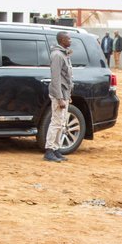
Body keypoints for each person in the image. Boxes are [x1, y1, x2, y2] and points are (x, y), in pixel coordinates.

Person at [44, 30, 74, 162]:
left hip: (64, 93)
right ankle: (49, 150)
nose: (70, 40)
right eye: (68, 38)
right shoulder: (57, 55)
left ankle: (56, 149)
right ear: (62, 40)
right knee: (56, 122)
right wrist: (60, 98)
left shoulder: (64, 54)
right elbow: (56, 78)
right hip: (59, 94)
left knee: (61, 123)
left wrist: (68, 95)